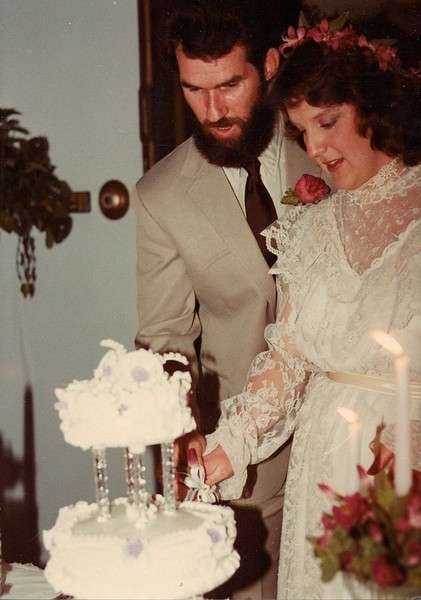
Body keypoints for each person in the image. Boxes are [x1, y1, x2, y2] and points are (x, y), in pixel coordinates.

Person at [192, 22, 421, 600]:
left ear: (373, 107)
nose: (313, 148)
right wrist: (229, 446)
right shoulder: (309, 229)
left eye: (327, 122)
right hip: (324, 463)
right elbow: (288, 361)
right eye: (301, 130)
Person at [133, 1, 322, 597]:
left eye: (229, 86)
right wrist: (181, 422)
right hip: (246, 459)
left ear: (268, 66)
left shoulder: (334, 145)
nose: (213, 110)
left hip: (349, 430)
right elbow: (165, 336)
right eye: (194, 89)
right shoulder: (160, 195)